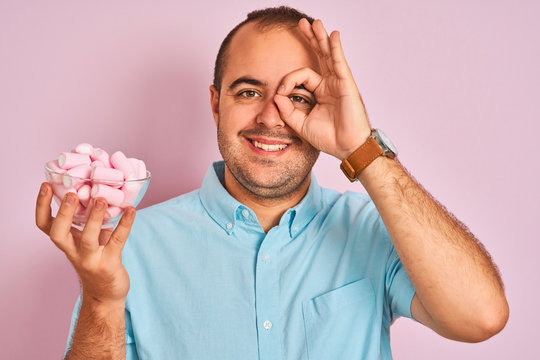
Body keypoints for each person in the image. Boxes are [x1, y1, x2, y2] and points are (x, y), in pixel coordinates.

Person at [35, 6, 509, 360]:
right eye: (248, 92)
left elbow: (481, 318)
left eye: (298, 96)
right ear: (216, 104)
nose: (270, 117)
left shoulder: (373, 230)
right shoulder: (128, 246)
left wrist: (362, 148)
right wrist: (101, 297)